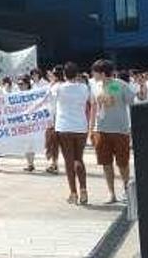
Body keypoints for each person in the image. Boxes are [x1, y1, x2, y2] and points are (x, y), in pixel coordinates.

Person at [90, 59, 139, 204]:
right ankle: (111, 193)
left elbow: (132, 102)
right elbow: (93, 107)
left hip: (120, 130)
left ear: (103, 73)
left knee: (122, 163)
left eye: (95, 72)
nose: (93, 74)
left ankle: (126, 190)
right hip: (101, 130)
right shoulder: (95, 86)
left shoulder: (120, 85)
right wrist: (91, 128)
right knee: (106, 163)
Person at [51, 63, 91, 205]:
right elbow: (88, 103)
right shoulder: (84, 87)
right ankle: (84, 190)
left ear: (64, 74)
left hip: (64, 126)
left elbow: (51, 104)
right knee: (79, 159)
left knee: (69, 161)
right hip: (80, 126)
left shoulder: (58, 88)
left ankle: (73, 193)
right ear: (77, 74)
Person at [43, 66, 64, 175]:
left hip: (55, 117)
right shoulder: (57, 85)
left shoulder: (57, 87)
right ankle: (54, 163)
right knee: (54, 143)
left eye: (52, 74)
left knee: (53, 142)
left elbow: (51, 101)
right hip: (57, 117)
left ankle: (54, 164)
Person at [17, 76, 37, 172]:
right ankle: (29, 163)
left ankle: (31, 163)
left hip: (31, 121)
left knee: (30, 143)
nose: (20, 86)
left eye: (22, 84)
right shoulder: (17, 95)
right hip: (21, 122)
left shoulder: (32, 93)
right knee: (25, 143)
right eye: (18, 84)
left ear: (27, 84)